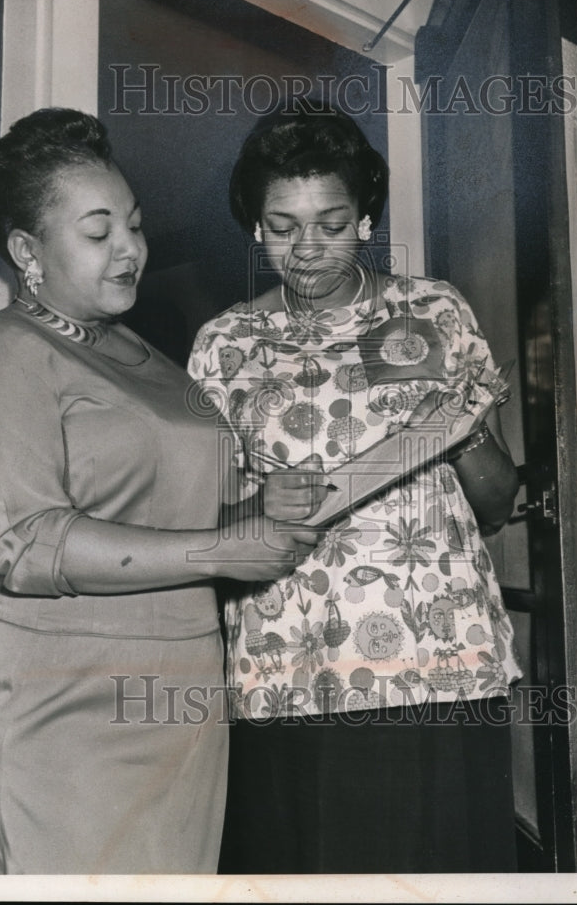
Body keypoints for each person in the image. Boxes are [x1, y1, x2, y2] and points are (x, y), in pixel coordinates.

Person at [0, 107, 319, 875]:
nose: (131, 248)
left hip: (183, 690)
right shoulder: (6, 348)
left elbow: (171, 517)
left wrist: (257, 513)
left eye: (136, 225)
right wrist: (223, 547)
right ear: (28, 251)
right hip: (62, 698)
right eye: (98, 232)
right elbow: (28, 543)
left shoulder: (154, 359)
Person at [187, 106, 523, 874]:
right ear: (254, 228)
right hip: (290, 655)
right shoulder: (222, 344)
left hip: (436, 645)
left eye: (331, 224)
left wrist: (459, 428)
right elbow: (204, 520)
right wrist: (256, 508)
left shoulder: (433, 310)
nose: (306, 250)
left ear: (367, 220)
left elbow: (498, 502)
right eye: (282, 227)